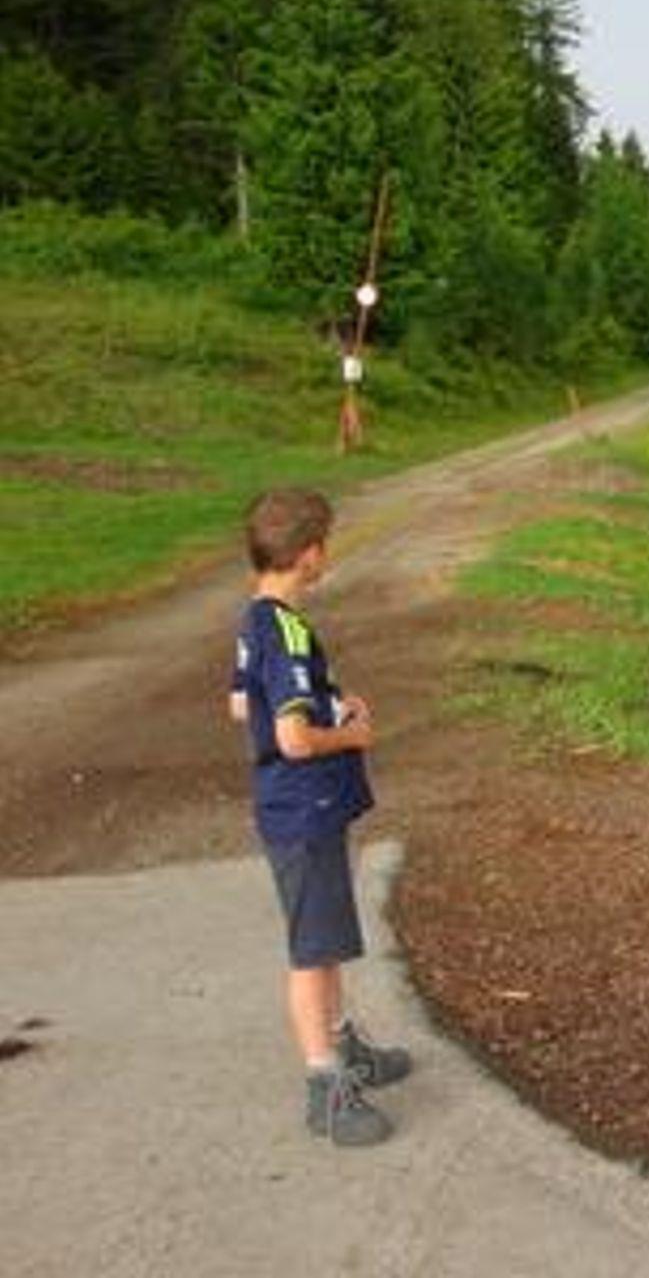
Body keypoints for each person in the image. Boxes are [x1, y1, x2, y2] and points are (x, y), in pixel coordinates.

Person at [231, 487, 411, 1148]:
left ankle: (343, 1044)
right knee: (312, 952)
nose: (325, 555)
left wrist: (328, 702)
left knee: (327, 939)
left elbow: (240, 705)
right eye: (324, 545)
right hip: (304, 810)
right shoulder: (286, 631)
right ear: (309, 554)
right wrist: (350, 734)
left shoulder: (255, 618)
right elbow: (293, 740)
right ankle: (324, 1086)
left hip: (299, 809)